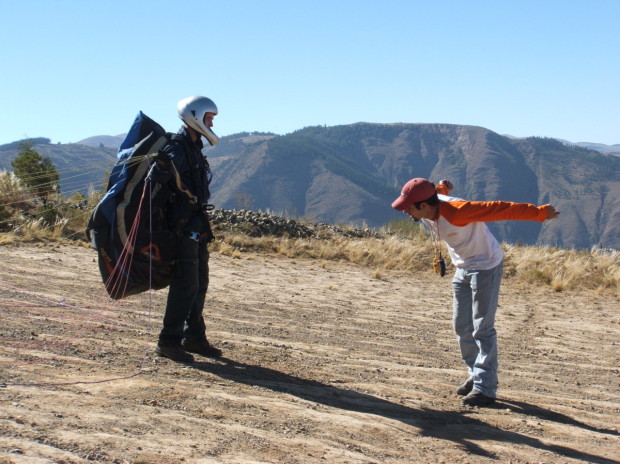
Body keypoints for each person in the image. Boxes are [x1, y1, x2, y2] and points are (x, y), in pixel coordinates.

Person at [392, 178, 560, 407]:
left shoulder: (459, 212)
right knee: (461, 325)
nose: (405, 210)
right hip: (462, 267)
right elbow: (436, 192)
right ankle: (475, 373)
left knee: (483, 327)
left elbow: (501, 209)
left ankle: (485, 388)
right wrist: (444, 187)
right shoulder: (431, 202)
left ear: (423, 205)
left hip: (485, 266)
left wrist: (539, 213)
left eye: (409, 206)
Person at [152, 96, 223, 363]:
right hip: (180, 228)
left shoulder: (194, 148)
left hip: (196, 225)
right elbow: (160, 188)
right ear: (195, 116)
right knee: (185, 285)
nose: (212, 122)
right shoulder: (177, 149)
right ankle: (168, 341)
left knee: (199, 283)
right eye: (209, 118)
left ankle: (193, 336)